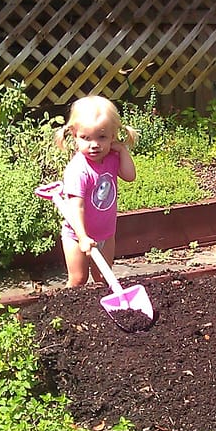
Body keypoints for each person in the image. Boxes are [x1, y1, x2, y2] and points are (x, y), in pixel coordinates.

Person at [55, 95, 138, 287]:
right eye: (85, 138)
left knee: (103, 278)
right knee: (78, 279)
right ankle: (66, 311)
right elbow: (77, 207)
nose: (94, 144)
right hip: (77, 236)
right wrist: (83, 237)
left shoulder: (111, 159)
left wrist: (122, 151)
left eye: (102, 137)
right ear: (74, 136)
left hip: (106, 233)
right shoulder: (78, 170)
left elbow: (129, 176)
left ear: (112, 136)